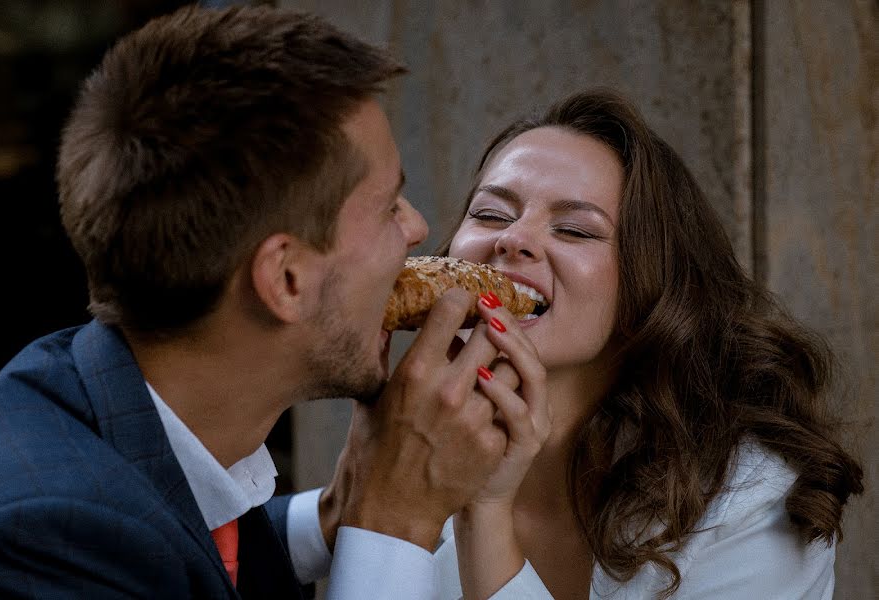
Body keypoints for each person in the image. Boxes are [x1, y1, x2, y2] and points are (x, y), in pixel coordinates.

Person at [0, 6, 544, 599]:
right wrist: (393, 519)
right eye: (388, 207)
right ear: (287, 279)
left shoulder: (98, 402)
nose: (418, 227)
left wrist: (340, 510)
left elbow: (183, 541)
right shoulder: (42, 548)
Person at [301, 89, 864, 599]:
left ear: (651, 287)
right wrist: (361, 493)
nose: (514, 239)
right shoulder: (419, 448)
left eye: (574, 230)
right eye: (490, 213)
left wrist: (486, 514)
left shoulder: (748, 502)